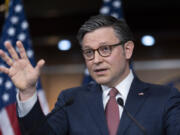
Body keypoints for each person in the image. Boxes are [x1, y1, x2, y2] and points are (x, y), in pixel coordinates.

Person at [0, 14, 180, 135]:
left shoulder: (165, 99)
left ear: (127, 49)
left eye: (105, 49)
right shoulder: (71, 100)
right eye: (88, 52)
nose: (96, 60)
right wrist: (28, 93)